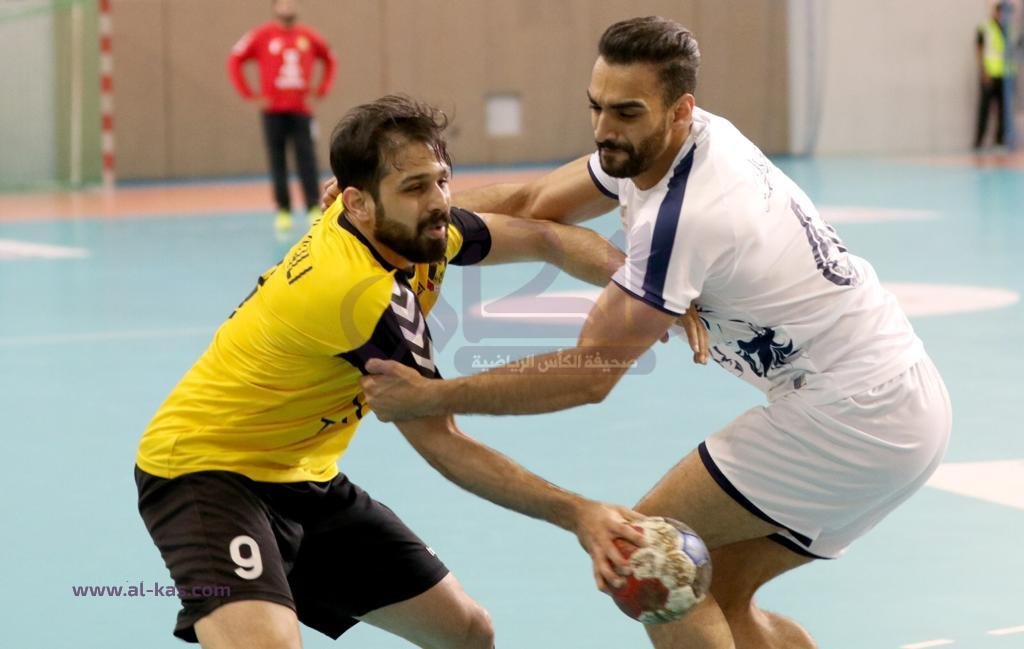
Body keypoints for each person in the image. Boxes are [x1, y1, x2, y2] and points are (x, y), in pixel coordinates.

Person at [359, 17, 952, 649]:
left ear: (679, 109)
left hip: (853, 413)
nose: (604, 129)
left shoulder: (687, 217)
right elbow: (534, 203)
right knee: (720, 593)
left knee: (649, 559)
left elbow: (589, 376)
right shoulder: (674, 143)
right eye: (597, 106)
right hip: (902, 402)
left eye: (626, 113)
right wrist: (398, 213)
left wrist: (434, 396)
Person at [135, 95, 650, 648]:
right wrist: (578, 514)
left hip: (304, 475)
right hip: (205, 471)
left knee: (468, 633)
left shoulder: (414, 232)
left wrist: (648, 292)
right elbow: (443, 442)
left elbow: (546, 237)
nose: (439, 202)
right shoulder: (359, 293)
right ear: (357, 204)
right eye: (414, 187)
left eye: (441, 180)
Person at [228, 0, 336, 232]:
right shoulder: (262, 35)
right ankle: (283, 210)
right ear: (275, 6)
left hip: (301, 110)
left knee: (307, 159)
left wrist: (322, 90)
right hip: (273, 112)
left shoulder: (308, 36)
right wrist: (249, 94)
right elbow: (235, 59)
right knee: (277, 160)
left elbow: (330, 58)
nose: (287, 6)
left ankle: (312, 207)